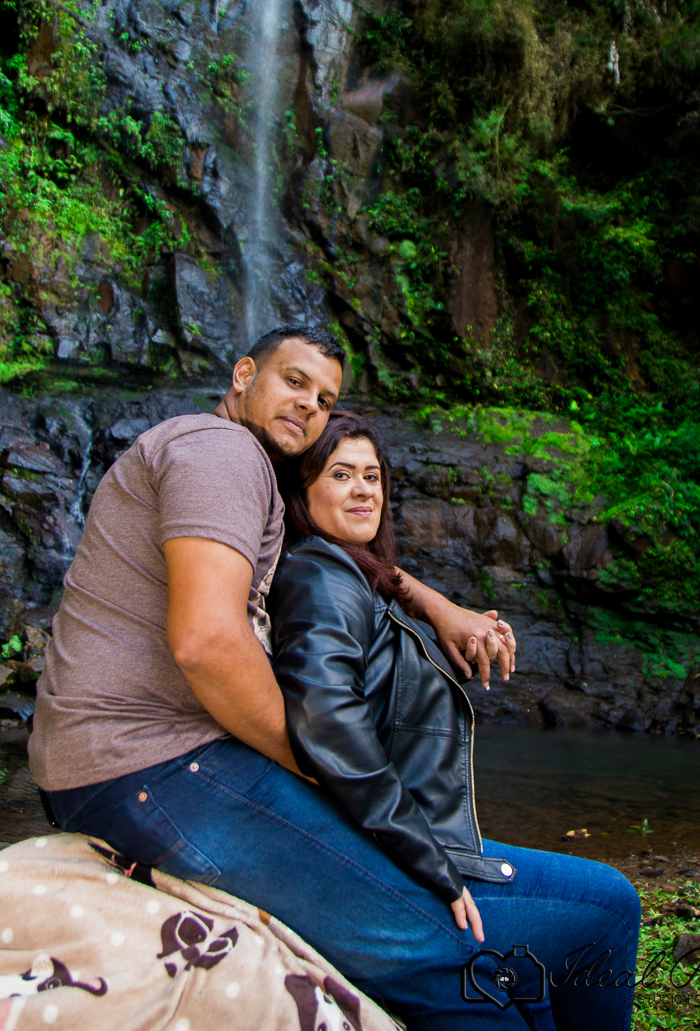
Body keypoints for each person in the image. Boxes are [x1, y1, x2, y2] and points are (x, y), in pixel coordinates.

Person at [27, 329, 517, 997]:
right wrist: (312, 765)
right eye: (294, 381)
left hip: (117, 761)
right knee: (435, 942)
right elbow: (207, 642)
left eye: (324, 397)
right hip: (149, 764)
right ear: (243, 374)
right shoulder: (222, 452)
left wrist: (439, 607)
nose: (309, 404)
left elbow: (338, 541)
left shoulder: (227, 465)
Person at [267, 410, 642, 1031]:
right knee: (609, 904)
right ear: (304, 491)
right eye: (341, 475)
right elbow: (327, 720)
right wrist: (432, 866)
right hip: (403, 851)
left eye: (373, 475)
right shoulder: (318, 577)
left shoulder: (348, 572)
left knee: (531, 987)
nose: (364, 489)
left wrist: (434, 604)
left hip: (406, 838)